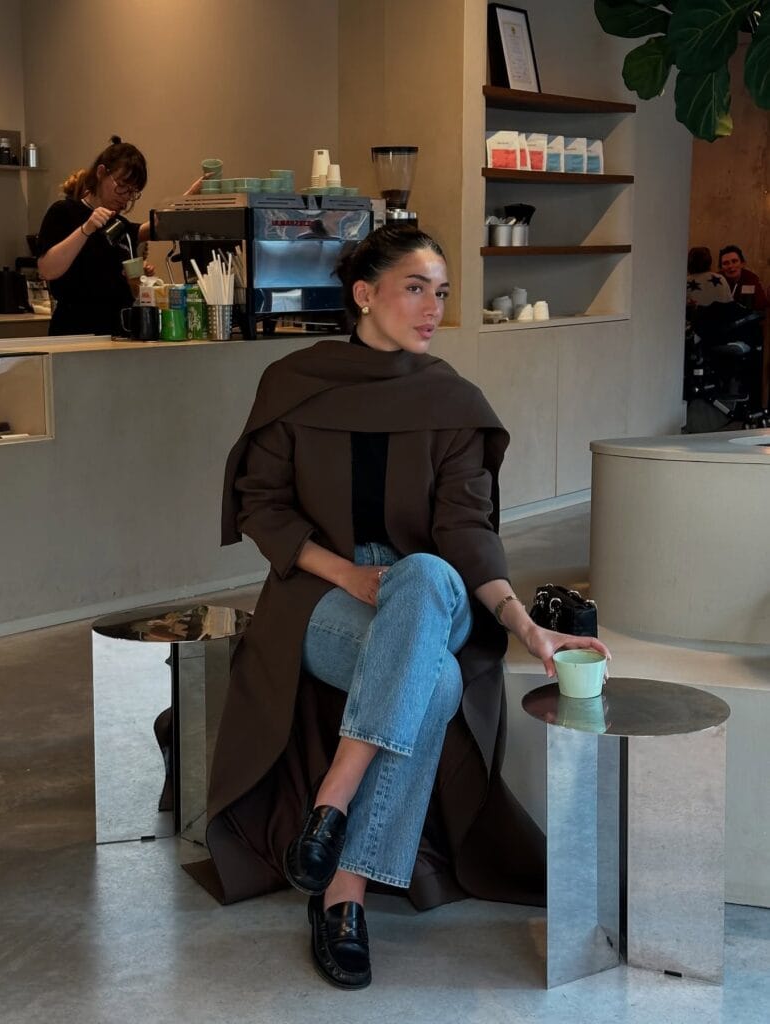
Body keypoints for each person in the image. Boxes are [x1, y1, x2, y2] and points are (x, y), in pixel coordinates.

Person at [207, 225, 611, 990]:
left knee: (423, 575)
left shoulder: (450, 399)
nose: (433, 308)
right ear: (364, 295)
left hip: (436, 593)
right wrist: (348, 576)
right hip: (323, 599)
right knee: (434, 685)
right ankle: (344, 892)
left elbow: (465, 529)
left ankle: (330, 806)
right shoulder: (294, 383)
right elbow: (263, 507)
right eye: (416, 288)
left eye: (443, 293)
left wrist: (522, 623)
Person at [37, 136, 204, 336]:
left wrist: (187, 200)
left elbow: (152, 228)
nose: (125, 196)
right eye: (122, 186)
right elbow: (47, 269)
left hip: (117, 332)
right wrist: (86, 229)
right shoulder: (65, 211)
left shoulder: (118, 224)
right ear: (101, 173)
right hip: (76, 331)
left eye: (133, 192)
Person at [718, 245, 769, 312]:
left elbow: (760, 305)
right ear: (721, 268)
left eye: (734, 261)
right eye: (725, 263)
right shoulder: (716, 279)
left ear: (742, 264)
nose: (730, 266)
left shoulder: (750, 278)